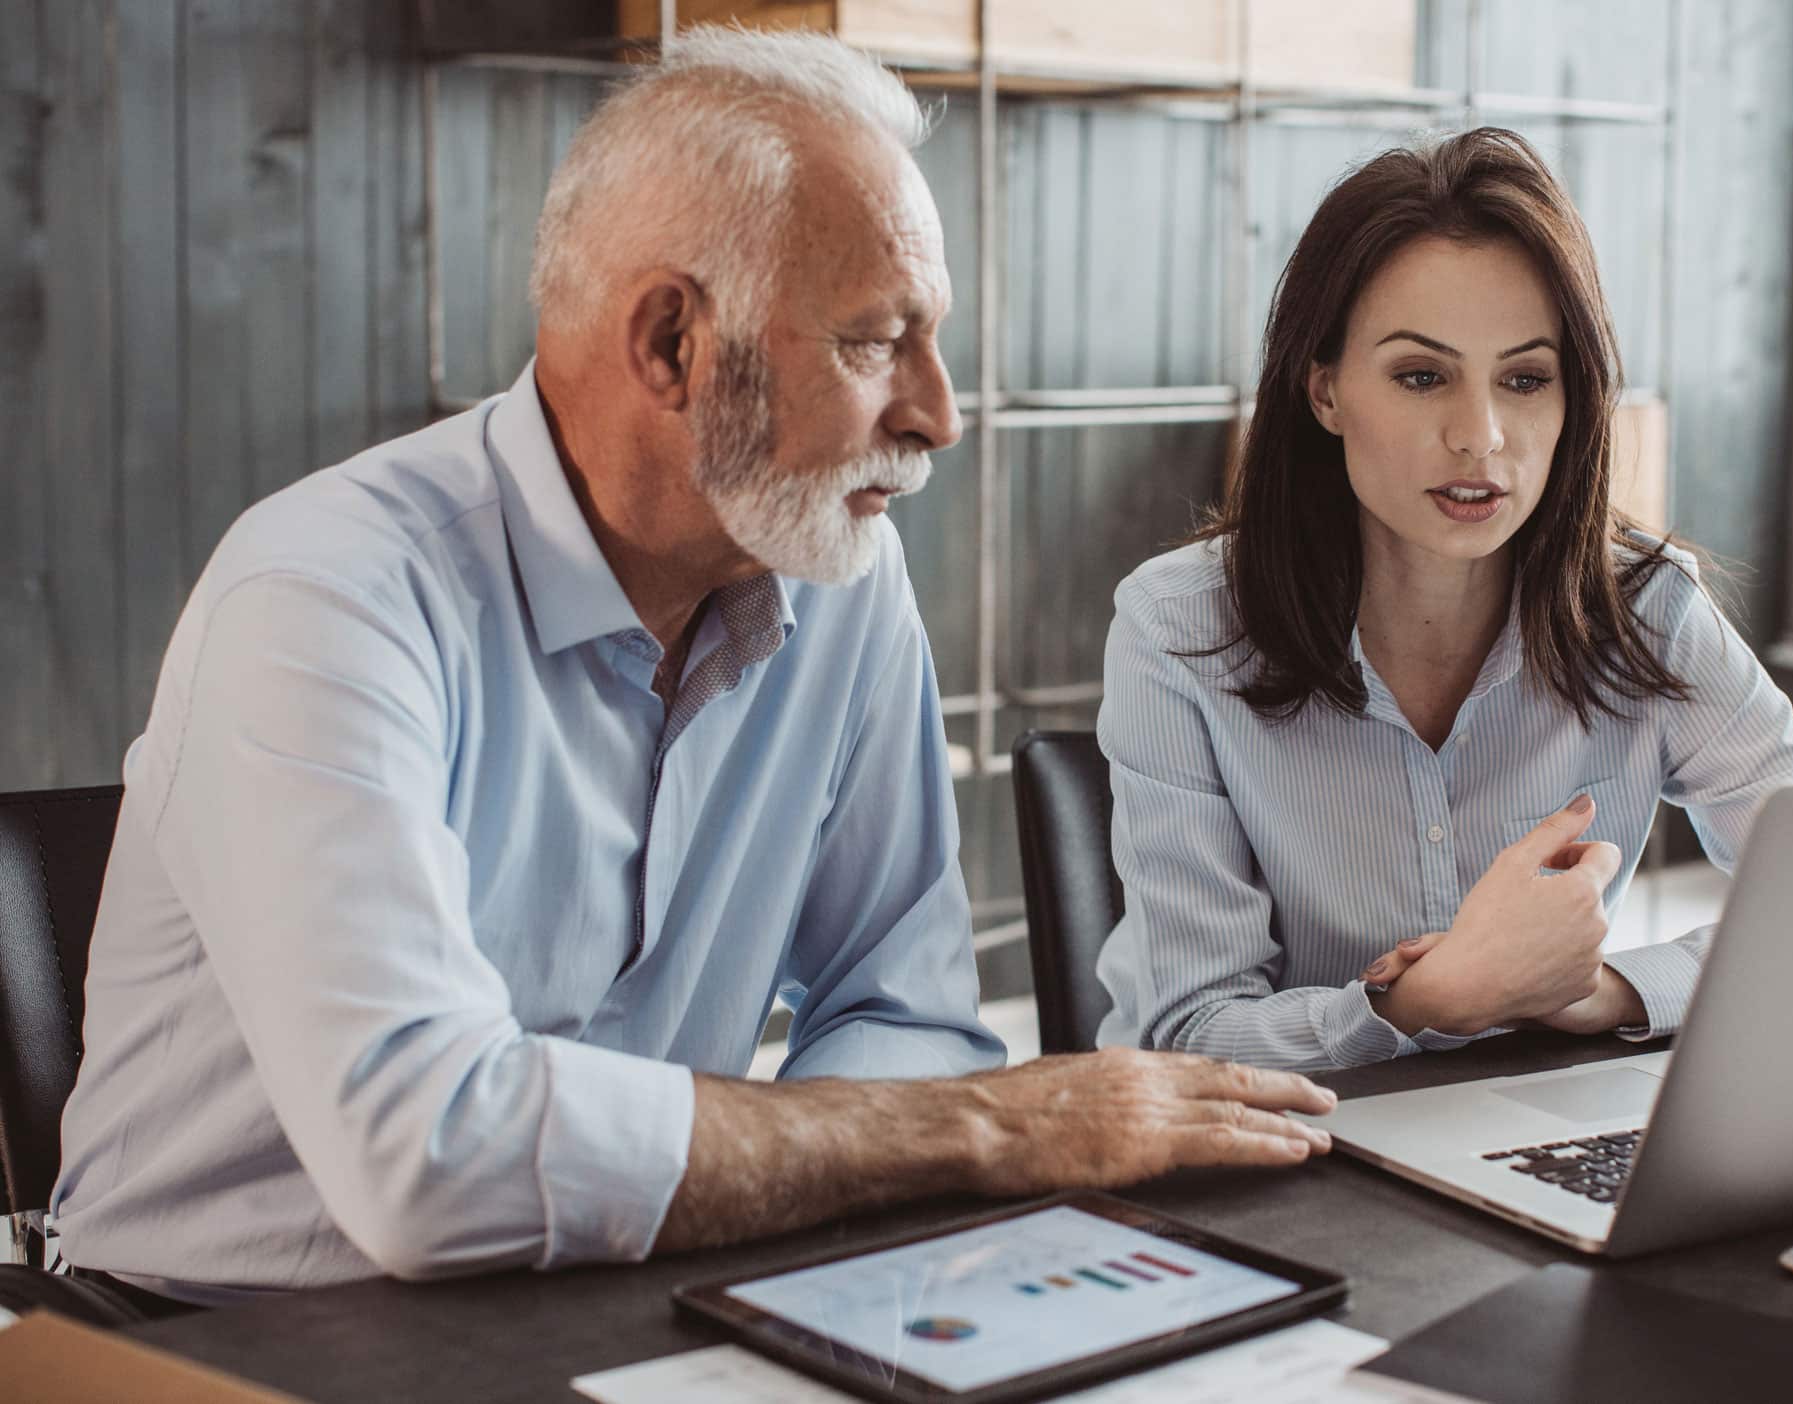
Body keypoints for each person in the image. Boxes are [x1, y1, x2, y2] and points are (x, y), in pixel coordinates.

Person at [47, 28, 1334, 1312]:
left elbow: (906, 1009)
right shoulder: (322, 595)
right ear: (671, 343)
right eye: (877, 341)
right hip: (207, 1342)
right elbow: (426, 1156)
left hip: (626, 1292)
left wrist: (877, 1149)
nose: (939, 413)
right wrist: (985, 1127)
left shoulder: (844, 571)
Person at [1094, 129, 1793, 1073]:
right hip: (1282, 1157)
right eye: (1421, 377)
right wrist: (1428, 1001)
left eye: (1526, 380)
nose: (1481, 438)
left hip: (1523, 1123)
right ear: (1324, 389)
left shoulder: (1644, 606)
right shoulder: (1181, 625)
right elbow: (1189, 1037)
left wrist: (1607, 990)